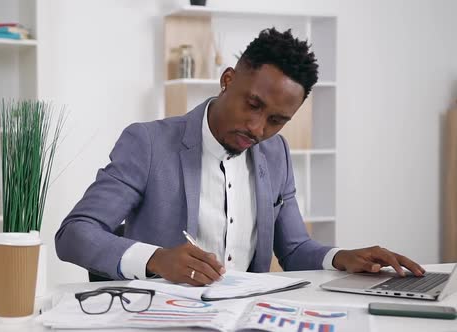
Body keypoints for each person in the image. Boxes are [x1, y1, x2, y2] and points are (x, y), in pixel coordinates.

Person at [55, 28, 425, 286]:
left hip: (247, 316)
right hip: (163, 316)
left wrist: (341, 257)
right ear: (228, 79)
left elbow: (294, 250)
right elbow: (74, 234)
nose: (258, 128)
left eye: (277, 120)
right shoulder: (149, 142)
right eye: (253, 105)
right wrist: (155, 259)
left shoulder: (276, 153)